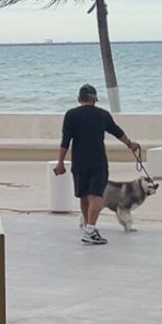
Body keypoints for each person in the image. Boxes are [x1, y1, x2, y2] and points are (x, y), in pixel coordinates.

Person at [54, 84, 140, 245]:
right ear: (94, 100)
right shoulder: (102, 115)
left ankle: (89, 228)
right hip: (97, 161)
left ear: (79, 99)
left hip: (79, 162)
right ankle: (90, 230)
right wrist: (130, 144)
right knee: (97, 196)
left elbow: (65, 141)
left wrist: (60, 163)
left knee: (84, 195)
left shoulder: (71, 115)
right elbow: (117, 131)